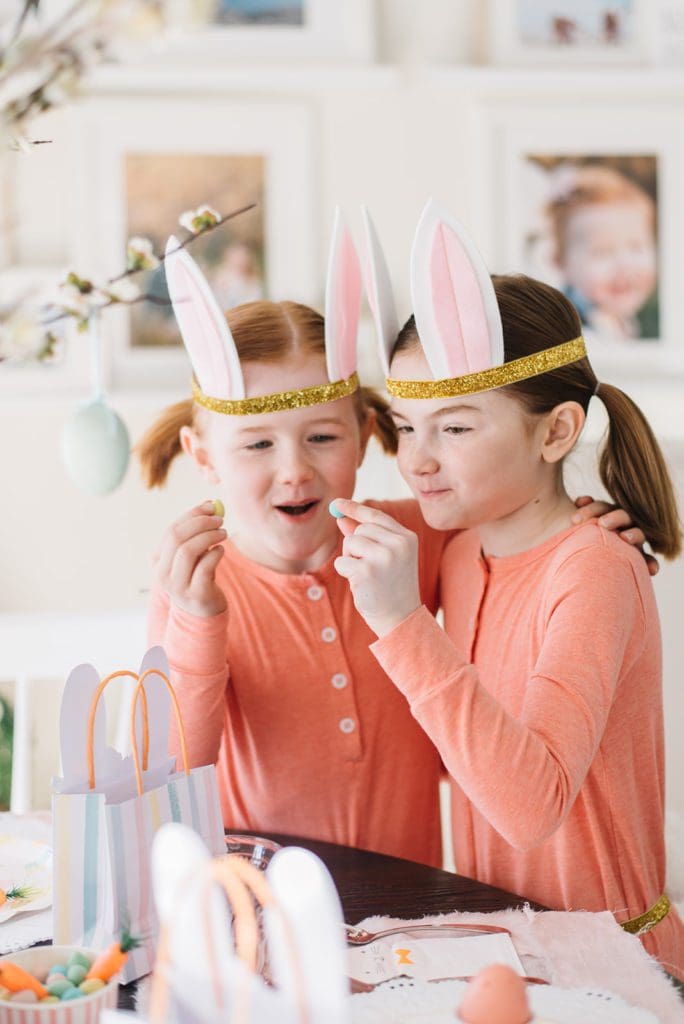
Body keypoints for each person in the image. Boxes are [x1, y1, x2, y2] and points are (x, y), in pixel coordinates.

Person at [137, 213, 650, 869]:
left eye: (322, 437)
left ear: (365, 433)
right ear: (201, 455)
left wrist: (595, 518)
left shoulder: (421, 538)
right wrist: (198, 624)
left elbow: (523, 518)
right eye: (257, 444)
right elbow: (167, 795)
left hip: (415, 919)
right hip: (263, 916)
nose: (293, 469)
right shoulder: (192, 589)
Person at [332, 201, 684, 975]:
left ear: (556, 433)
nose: (417, 460)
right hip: (513, 952)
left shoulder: (593, 568)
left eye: (455, 428)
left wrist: (401, 622)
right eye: (405, 425)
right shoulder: (459, 543)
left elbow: (531, 810)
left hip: (613, 968)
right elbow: (306, 525)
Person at [543, 162, 658, 341]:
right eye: (602, 252)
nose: (624, 265)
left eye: (636, 247)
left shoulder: (618, 317)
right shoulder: (572, 332)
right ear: (560, 262)